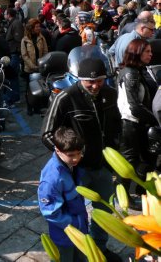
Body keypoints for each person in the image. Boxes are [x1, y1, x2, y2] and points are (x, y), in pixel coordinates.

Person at [41, 58, 122, 261]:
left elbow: (117, 125)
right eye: (89, 82)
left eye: (100, 81)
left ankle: (99, 248)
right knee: (71, 214)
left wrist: (115, 151)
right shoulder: (66, 98)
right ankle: (73, 252)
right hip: (78, 170)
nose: (95, 86)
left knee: (104, 210)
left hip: (103, 166)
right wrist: (69, 159)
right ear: (80, 79)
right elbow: (47, 134)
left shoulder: (111, 94)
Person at [117, 39, 158, 204]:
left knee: (145, 158)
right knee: (129, 161)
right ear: (137, 52)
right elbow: (134, 106)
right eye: (147, 51)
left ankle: (143, 191)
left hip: (138, 122)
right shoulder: (130, 73)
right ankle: (123, 196)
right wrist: (155, 119)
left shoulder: (137, 70)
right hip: (131, 124)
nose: (151, 54)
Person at [38, 127, 87, 262]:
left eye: (79, 153)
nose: (76, 158)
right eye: (71, 155)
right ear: (57, 151)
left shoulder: (70, 164)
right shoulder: (52, 178)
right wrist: (74, 224)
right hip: (65, 233)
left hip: (79, 226)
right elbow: (49, 211)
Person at [21, 18, 49, 115]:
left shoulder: (41, 38)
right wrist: (32, 66)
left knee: (39, 88)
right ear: (31, 28)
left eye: (39, 26)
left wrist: (43, 63)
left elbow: (45, 51)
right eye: (36, 27)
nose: (39, 28)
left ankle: (37, 107)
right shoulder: (25, 40)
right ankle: (29, 107)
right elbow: (24, 55)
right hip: (29, 69)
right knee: (29, 89)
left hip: (40, 68)